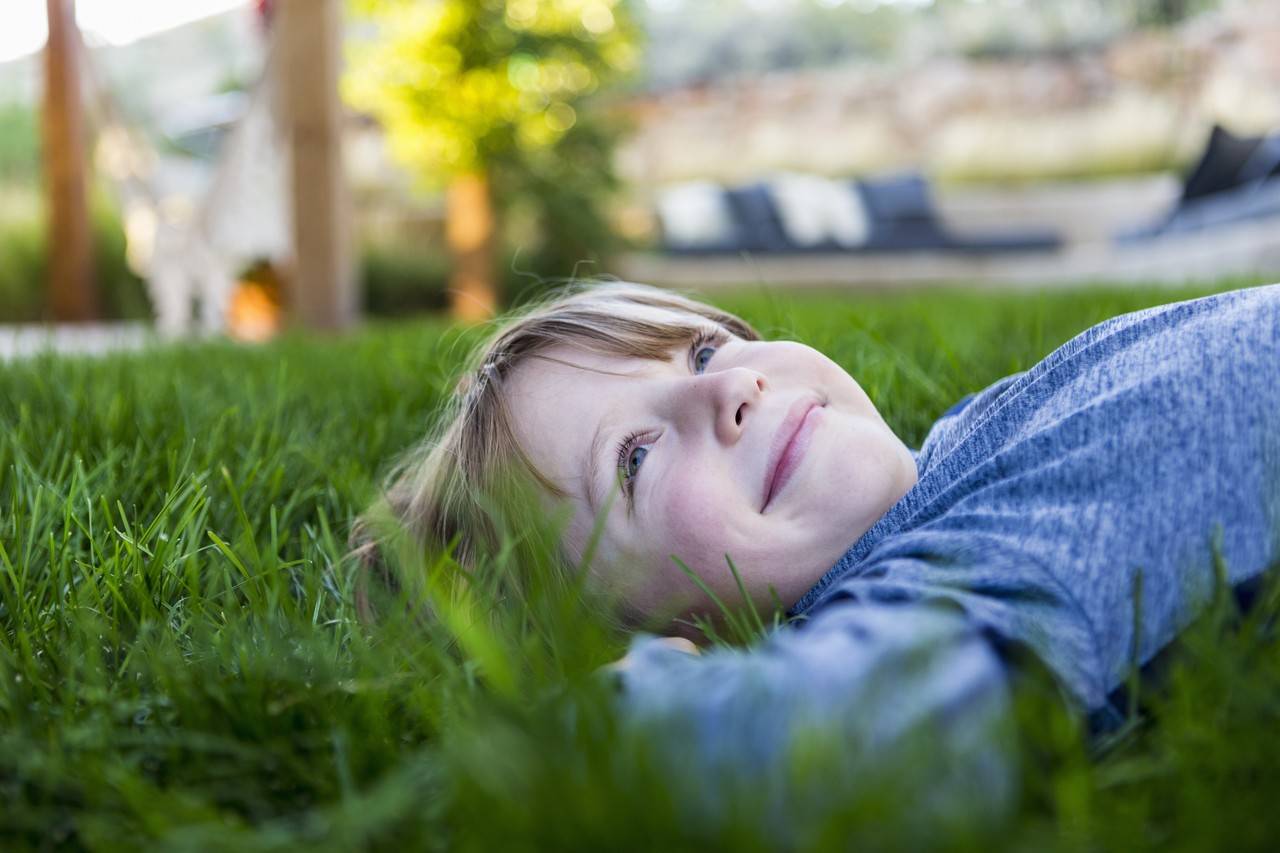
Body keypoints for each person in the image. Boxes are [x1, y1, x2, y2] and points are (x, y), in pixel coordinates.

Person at [351, 280, 1280, 814]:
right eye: (634, 459)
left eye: (703, 350)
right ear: (685, 641)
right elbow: (757, 749)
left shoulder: (962, 452)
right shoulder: (942, 590)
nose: (730, 390)